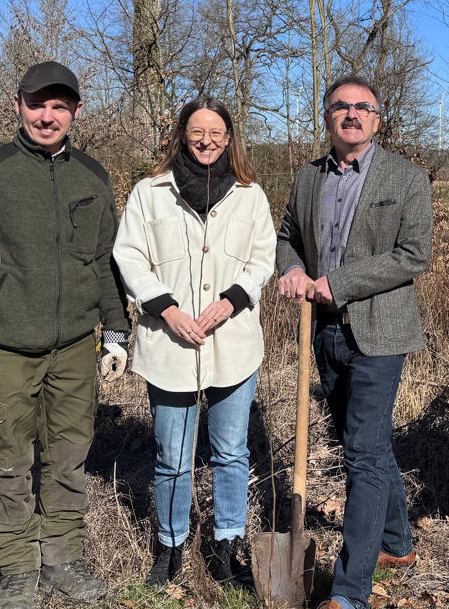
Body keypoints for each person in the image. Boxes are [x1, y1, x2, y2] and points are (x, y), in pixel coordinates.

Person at [0, 61, 129, 609]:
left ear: (76, 112)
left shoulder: (93, 177)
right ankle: (14, 564)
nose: (47, 116)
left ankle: (61, 556)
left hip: (75, 348)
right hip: (2, 349)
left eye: (59, 106)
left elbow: (107, 264)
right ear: (18, 105)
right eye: (37, 104)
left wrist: (117, 332)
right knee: (7, 459)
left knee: (68, 455)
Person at [274, 75, 433, 609]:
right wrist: (292, 268)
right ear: (327, 117)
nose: (351, 114)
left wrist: (339, 283)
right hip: (324, 331)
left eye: (362, 107)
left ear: (376, 119)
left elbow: (414, 255)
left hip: (381, 332)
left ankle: (349, 592)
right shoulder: (307, 177)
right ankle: (397, 542)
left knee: (362, 454)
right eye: (340, 106)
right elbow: (288, 236)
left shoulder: (405, 177)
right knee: (364, 443)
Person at [112, 96, 276, 587]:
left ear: (229, 139)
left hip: (233, 343)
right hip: (170, 344)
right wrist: (166, 309)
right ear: (182, 135)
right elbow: (129, 256)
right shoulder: (150, 192)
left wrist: (231, 301)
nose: (207, 142)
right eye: (197, 132)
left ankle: (227, 543)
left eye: (216, 134)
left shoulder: (250, 195)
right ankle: (170, 546)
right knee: (172, 457)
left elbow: (263, 258)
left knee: (231, 452)